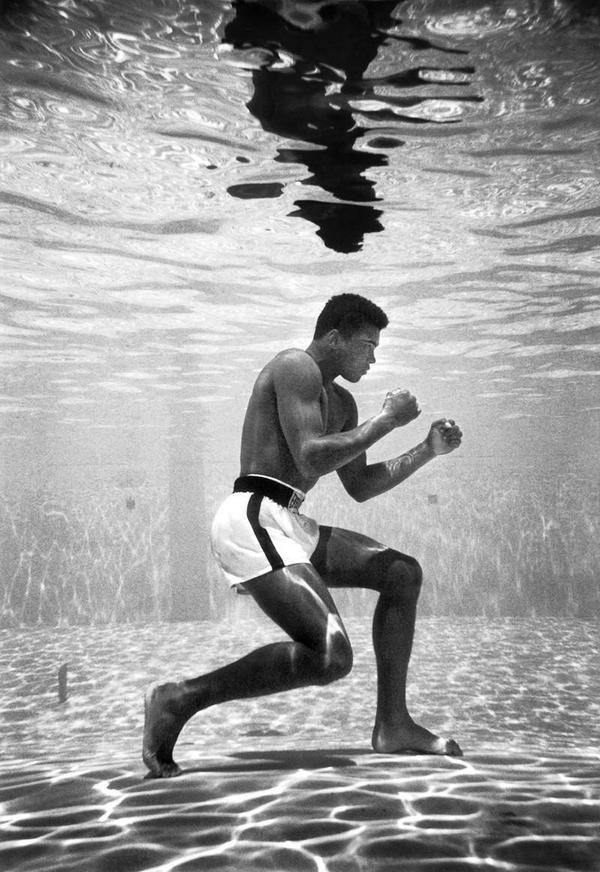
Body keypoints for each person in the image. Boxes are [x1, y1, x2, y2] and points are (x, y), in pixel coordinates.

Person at [143, 293, 463, 778]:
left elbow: (360, 486)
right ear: (334, 338)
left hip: (289, 520)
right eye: (366, 345)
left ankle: (394, 725)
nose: (373, 358)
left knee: (401, 574)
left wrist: (425, 449)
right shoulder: (296, 366)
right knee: (331, 655)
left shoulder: (342, 402)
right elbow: (311, 456)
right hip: (251, 515)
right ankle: (179, 698)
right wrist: (386, 420)